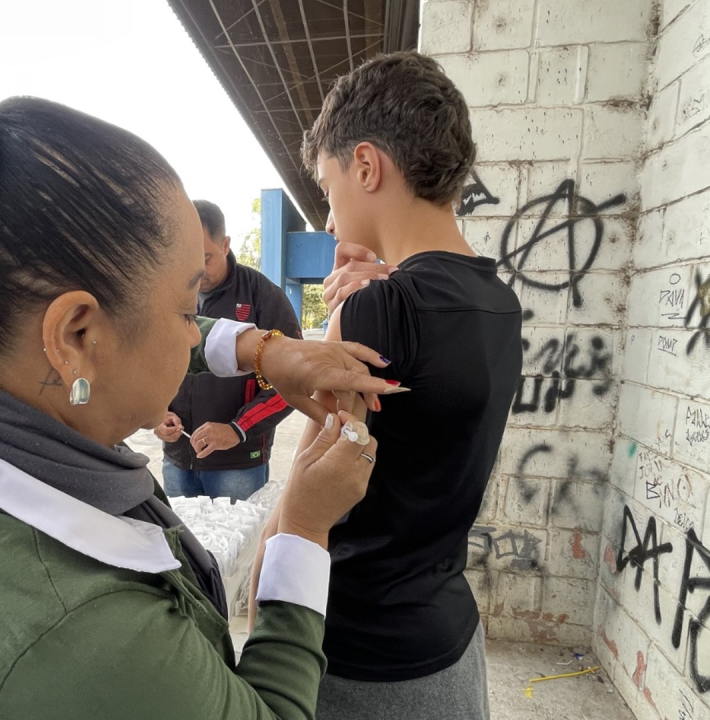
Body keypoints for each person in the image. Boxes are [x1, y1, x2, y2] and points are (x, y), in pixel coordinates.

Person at [0, 33, 408, 719]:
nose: (193, 330)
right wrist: (301, 525)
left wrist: (267, 352)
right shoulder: (89, 638)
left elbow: (141, 323)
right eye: (186, 308)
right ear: (75, 339)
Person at [250, 52, 524, 720]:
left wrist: (263, 581)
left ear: (367, 166)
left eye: (328, 185)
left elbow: (310, 486)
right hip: (449, 638)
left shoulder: (377, 308)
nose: (328, 214)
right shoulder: (499, 302)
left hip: (361, 656)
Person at [155, 200, 301, 502]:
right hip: (177, 460)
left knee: (236, 549)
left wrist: (238, 429)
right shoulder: (167, 294)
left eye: (205, 258)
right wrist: (155, 413)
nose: (196, 271)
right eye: (186, 259)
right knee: (179, 547)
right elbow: (147, 361)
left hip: (237, 465)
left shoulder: (263, 296)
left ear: (225, 245)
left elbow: (293, 380)